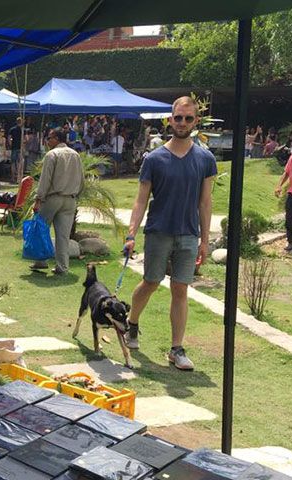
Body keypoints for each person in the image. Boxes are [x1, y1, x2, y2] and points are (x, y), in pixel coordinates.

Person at [123, 96, 217, 371]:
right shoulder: (154, 159)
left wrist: (205, 240)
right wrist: (131, 234)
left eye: (188, 118)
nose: (183, 123)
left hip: (188, 234)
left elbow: (205, 202)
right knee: (150, 282)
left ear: (195, 121)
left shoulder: (206, 159)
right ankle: (132, 323)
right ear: (170, 120)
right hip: (158, 232)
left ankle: (176, 349)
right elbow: (141, 200)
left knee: (180, 289)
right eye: (178, 117)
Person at [30, 128, 83, 276]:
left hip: (53, 198)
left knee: (41, 229)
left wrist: (38, 199)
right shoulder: (75, 155)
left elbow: (45, 180)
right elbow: (81, 179)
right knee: (63, 236)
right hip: (70, 200)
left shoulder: (51, 155)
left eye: (49, 138)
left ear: (57, 139)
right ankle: (62, 267)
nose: (47, 141)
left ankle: (41, 261)